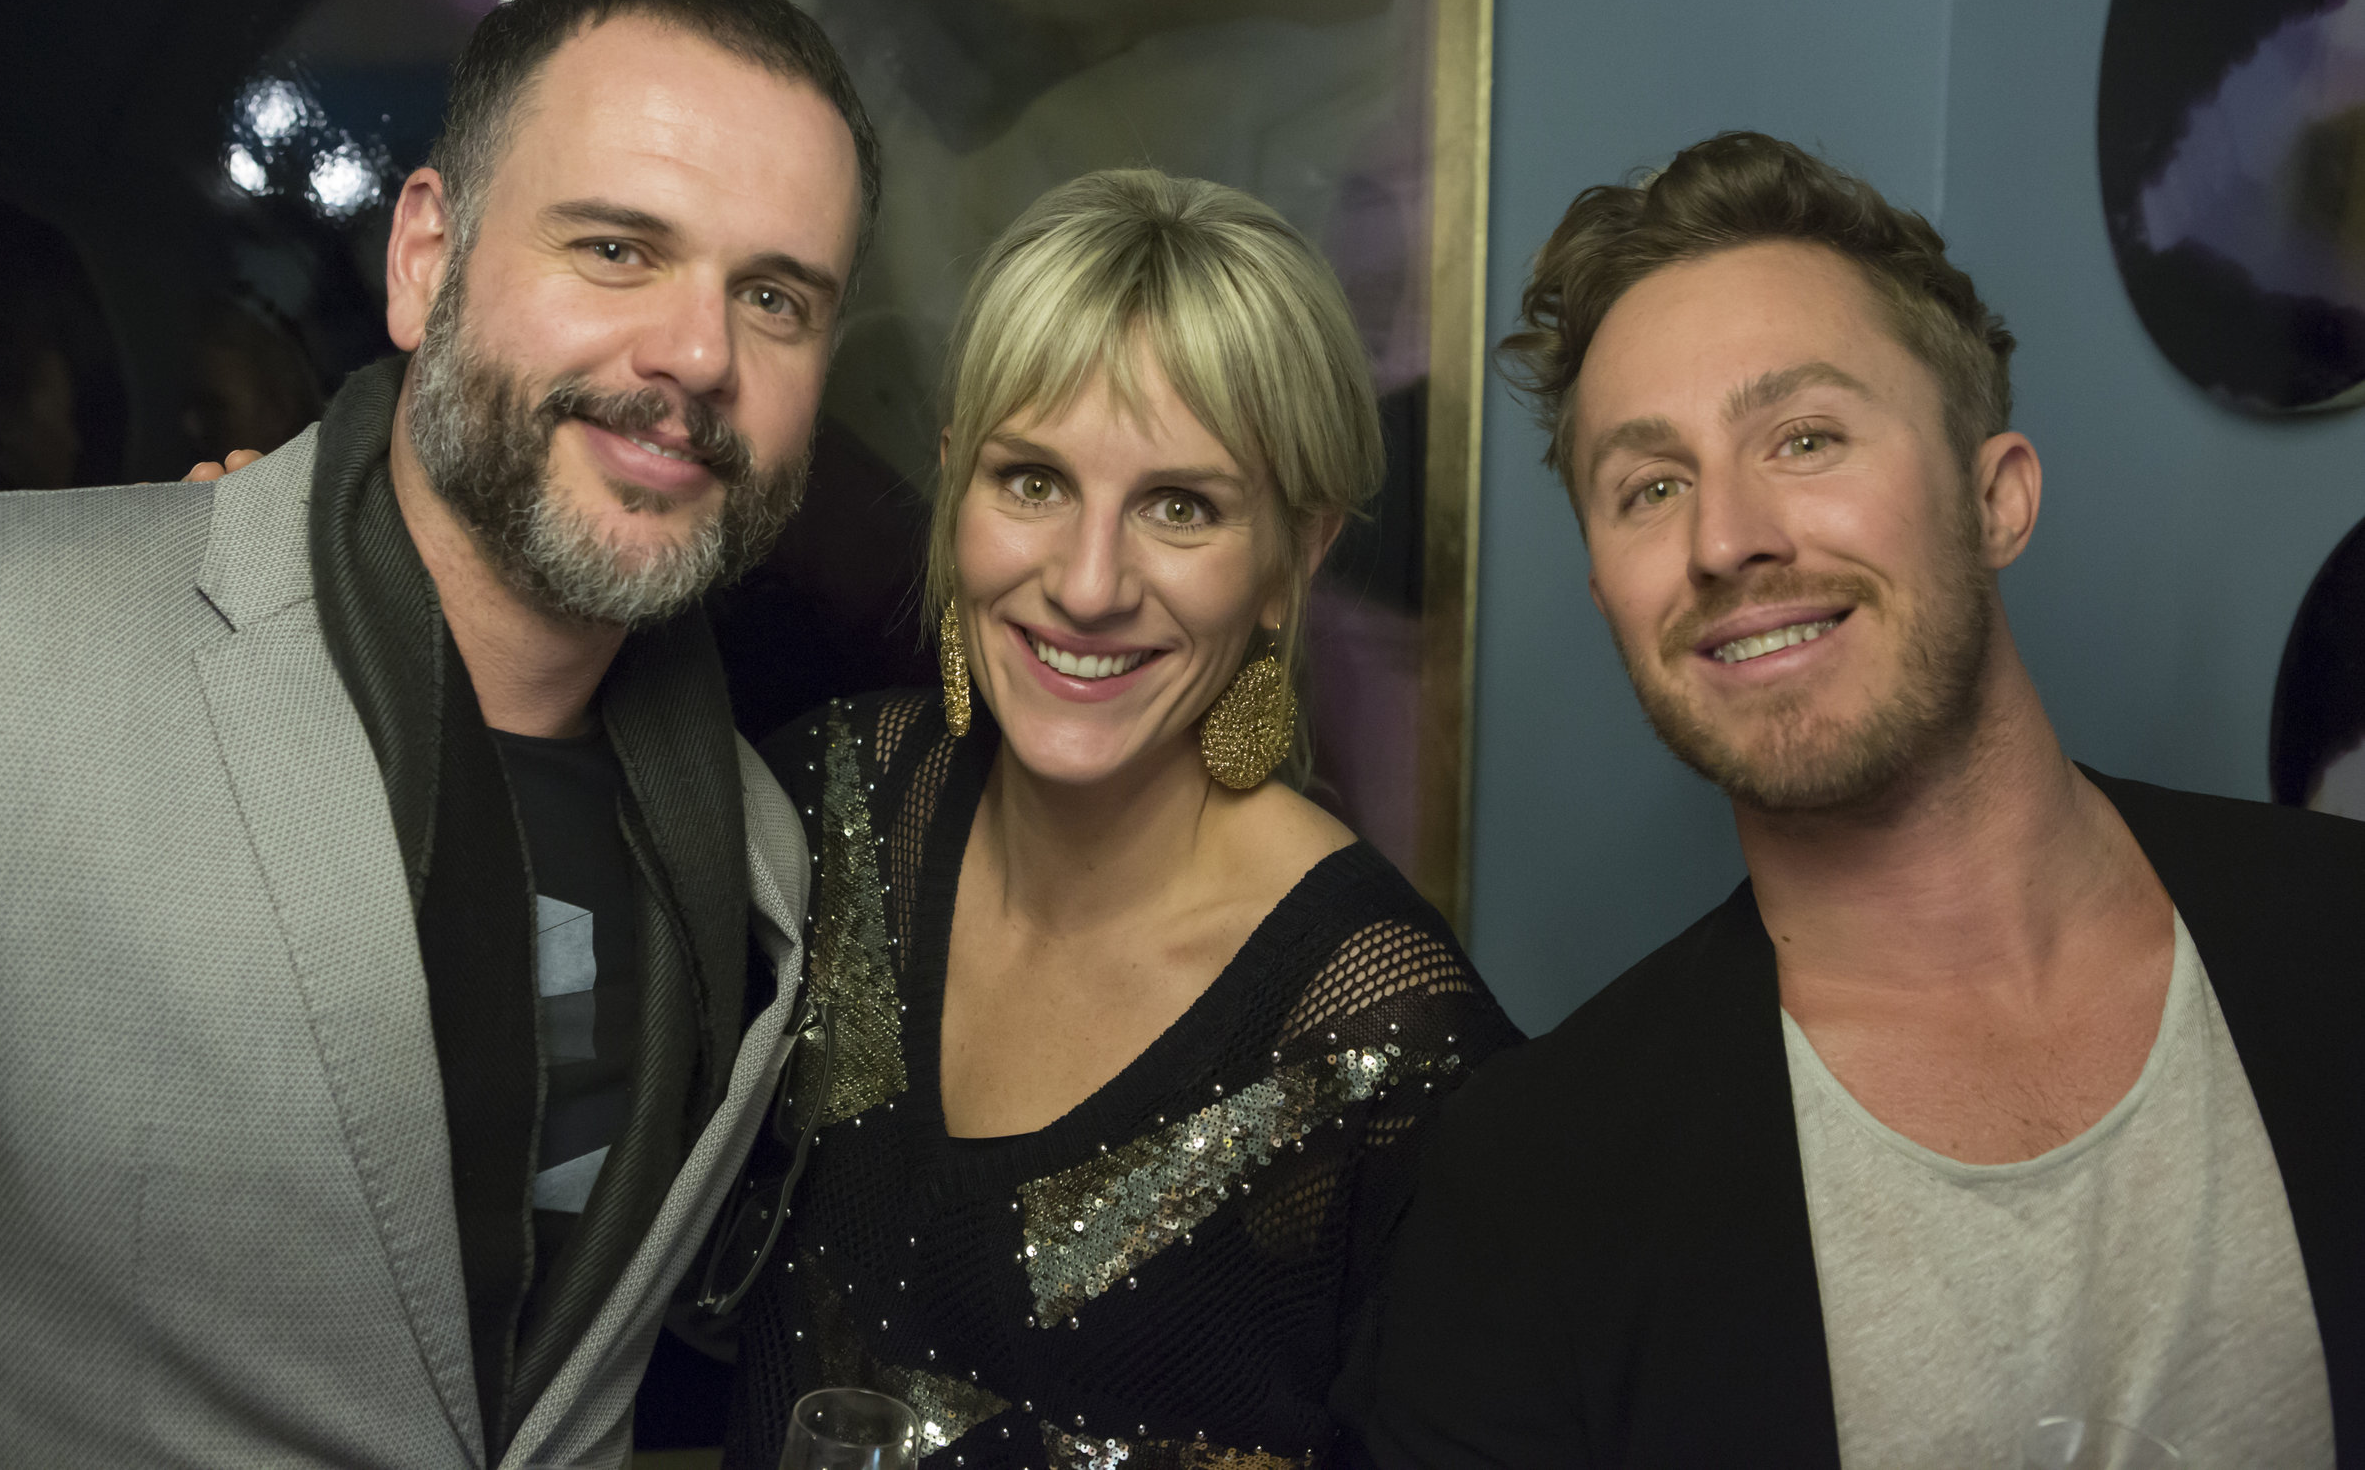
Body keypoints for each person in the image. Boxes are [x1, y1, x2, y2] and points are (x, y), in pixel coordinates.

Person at [0, 0, 877, 1468]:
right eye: (616, 249)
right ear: (424, 260)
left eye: (775, 297)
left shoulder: (757, 858)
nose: (698, 355)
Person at [1345, 132, 2364, 1469]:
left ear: (1995, 500)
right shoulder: (1527, 1185)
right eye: (1651, 488)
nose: (1725, 540)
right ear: (1608, 595)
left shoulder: (2344, 934)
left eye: (1806, 437)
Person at [724, 169, 1521, 1469]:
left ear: (1296, 557)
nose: (1089, 585)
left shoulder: (1385, 1044)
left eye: (1180, 506)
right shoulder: (830, 802)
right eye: (1033, 481)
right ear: (955, 489)